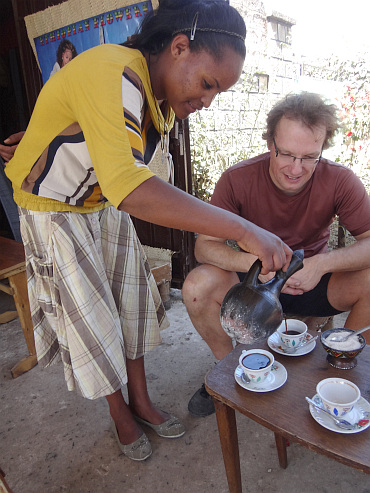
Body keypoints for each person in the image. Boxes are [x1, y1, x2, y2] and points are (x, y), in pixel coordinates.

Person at [4, 0, 292, 462]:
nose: (206, 102)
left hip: (100, 200)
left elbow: (109, 163)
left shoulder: (155, 100)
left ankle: (141, 401)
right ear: (180, 47)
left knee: (132, 304)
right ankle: (120, 413)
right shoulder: (113, 71)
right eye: (207, 84)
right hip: (55, 209)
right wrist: (246, 229)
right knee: (94, 323)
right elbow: (133, 187)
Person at [183, 91, 370, 417]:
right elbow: (204, 245)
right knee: (196, 287)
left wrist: (320, 264)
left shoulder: (340, 180)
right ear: (270, 142)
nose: (297, 169)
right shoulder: (237, 180)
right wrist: (255, 264)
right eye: (286, 154)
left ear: (323, 148)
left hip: (311, 282)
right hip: (253, 285)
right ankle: (228, 370)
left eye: (310, 156)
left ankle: (339, 376)